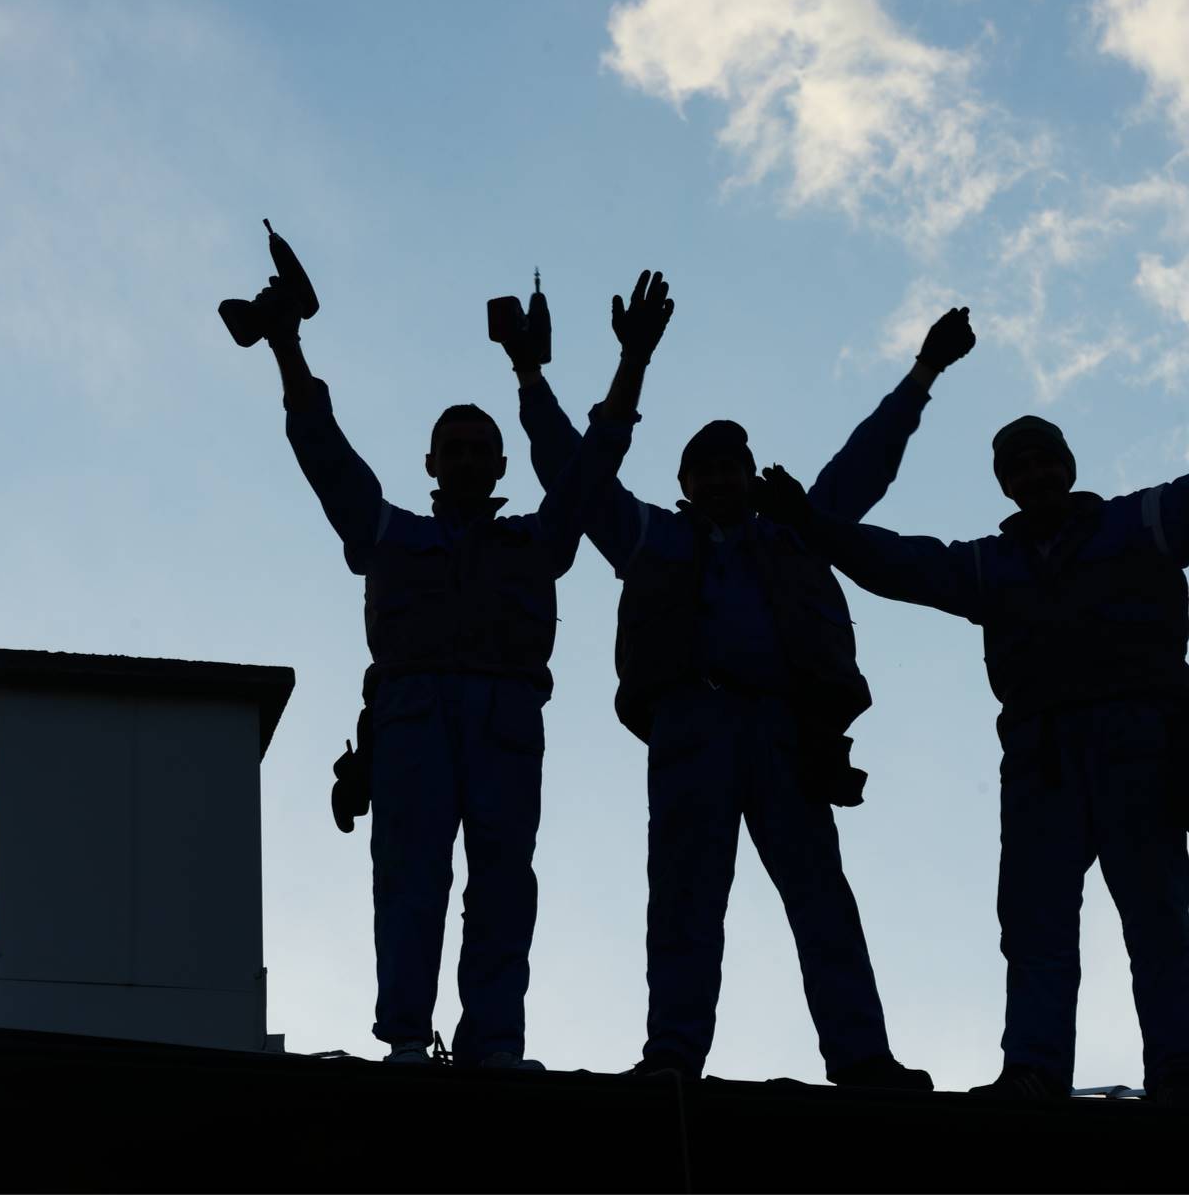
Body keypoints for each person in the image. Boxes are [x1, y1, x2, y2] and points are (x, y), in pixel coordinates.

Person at [500, 277, 974, 1084]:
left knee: (821, 897)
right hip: (692, 724)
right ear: (685, 483)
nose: (722, 479)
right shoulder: (648, 536)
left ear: (753, 476)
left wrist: (925, 371)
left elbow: (868, 460)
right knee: (685, 897)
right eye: (707, 469)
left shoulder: (797, 529)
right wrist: (534, 374)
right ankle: (673, 1054)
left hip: (788, 729)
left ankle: (862, 1057)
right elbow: (570, 470)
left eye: (734, 467)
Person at [258, 270, 669, 1069]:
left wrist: (632, 363)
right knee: (409, 881)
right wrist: (285, 345)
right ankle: (408, 1040)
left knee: (504, 887)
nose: (470, 460)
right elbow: (323, 450)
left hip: (506, 719)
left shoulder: (537, 541)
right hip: (412, 719)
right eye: (456, 449)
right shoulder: (388, 533)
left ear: (503, 464)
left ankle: (495, 1043)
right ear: (431, 462)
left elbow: (595, 461)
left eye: (483, 450)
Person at [762, 415, 1189, 1103]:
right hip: (1040, 761)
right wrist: (813, 524)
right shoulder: (991, 565)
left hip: (1140, 746)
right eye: (1019, 468)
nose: (1035, 475)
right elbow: (898, 563)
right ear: (1004, 484)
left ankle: (1179, 1069)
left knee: (1159, 916)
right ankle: (1033, 1070)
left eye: (1045, 461)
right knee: (1036, 926)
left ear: (1068, 467)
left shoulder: (1144, 520)